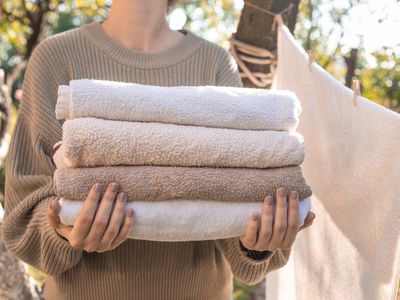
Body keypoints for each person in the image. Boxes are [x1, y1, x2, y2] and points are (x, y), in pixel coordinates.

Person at [1, 0, 316, 299]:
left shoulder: (215, 64)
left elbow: (238, 211)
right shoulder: (55, 58)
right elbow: (23, 217)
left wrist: (258, 245)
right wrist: (63, 231)